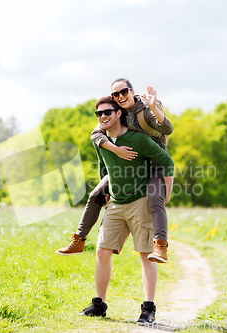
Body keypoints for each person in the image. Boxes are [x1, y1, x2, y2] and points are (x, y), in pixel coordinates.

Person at [78, 96, 175, 323]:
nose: (103, 116)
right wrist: (107, 188)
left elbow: (166, 160)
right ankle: (99, 304)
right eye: (99, 114)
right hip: (116, 202)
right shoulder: (99, 139)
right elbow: (104, 165)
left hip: (141, 200)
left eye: (107, 112)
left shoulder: (138, 139)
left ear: (118, 113)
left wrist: (166, 191)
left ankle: (148, 308)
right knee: (102, 252)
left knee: (145, 255)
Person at [57, 78, 174, 263]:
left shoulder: (144, 110)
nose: (120, 96)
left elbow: (168, 129)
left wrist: (154, 107)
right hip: (128, 165)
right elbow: (96, 134)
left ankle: (160, 245)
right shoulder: (113, 113)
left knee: (154, 197)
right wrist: (116, 150)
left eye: (124, 92)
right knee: (95, 194)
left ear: (132, 91)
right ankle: (78, 240)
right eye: (115, 94)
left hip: (153, 164)